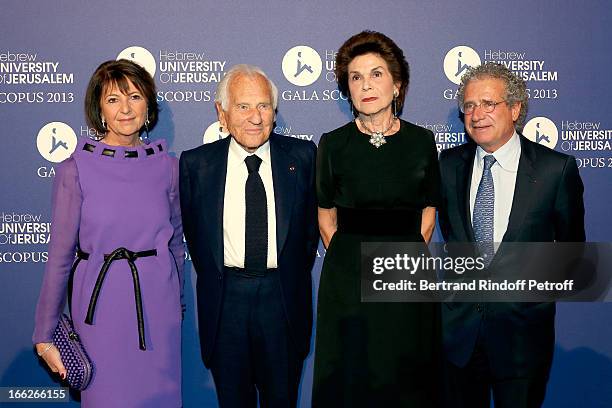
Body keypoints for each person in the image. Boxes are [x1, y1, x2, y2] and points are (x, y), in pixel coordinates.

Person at [33, 59, 185, 407]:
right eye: (113, 99)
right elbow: (59, 257)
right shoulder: (76, 169)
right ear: (99, 109)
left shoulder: (168, 167)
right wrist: (44, 335)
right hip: (99, 308)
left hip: (158, 308)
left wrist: (177, 304)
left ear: (148, 103)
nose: (126, 109)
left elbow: (176, 243)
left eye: (134, 96)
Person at [438, 62, 585, 407]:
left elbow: (571, 251)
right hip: (458, 338)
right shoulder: (446, 165)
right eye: (469, 106)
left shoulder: (555, 169)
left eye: (489, 104)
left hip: (522, 340)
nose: (477, 114)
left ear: (515, 109)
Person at [313, 31, 442, 407]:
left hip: (406, 267)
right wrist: (353, 266)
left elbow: (428, 215)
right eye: (356, 77)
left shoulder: (421, 141)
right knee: (352, 375)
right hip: (347, 276)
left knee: (404, 375)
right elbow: (326, 220)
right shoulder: (333, 144)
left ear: (397, 84)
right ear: (347, 90)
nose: (366, 85)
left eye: (376, 74)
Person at [179, 64, 318, 407]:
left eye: (264, 106)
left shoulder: (302, 158)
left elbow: (307, 238)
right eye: (243, 106)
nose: (255, 117)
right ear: (222, 113)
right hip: (226, 303)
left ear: (275, 111)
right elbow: (198, 242)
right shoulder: (196, 165)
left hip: (282, 301)